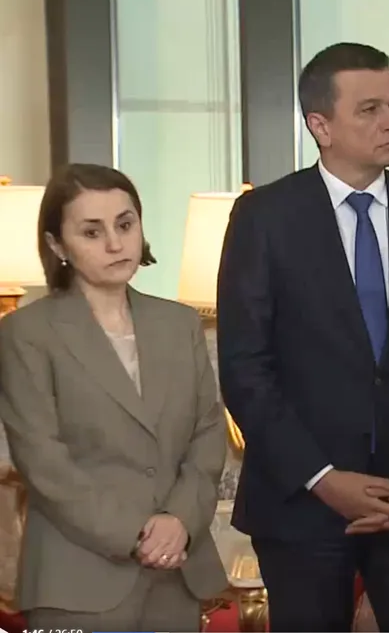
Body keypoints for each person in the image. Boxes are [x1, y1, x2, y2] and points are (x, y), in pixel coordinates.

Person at [217, 42, 389, 632]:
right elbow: (246, 370)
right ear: (320, 125)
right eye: (370, 109)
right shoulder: (264, 219)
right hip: (302, 508)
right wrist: (324, 480)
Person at [0, 164, 228, 630]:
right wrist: (137, 533)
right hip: (76, 581)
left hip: (177, 572)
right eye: (92, 231)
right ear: (57, 245)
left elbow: (207, 437)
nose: (115, 243)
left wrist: (179, 520)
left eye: (125, 224)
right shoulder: (26, 333)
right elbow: (43, 462)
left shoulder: (180, 325)